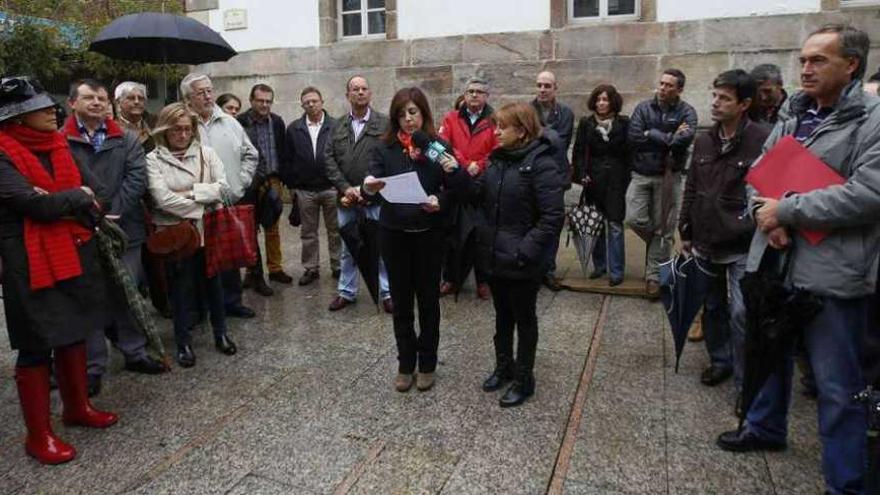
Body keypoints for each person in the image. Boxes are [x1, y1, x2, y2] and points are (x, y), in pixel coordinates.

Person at [717, 25, 880, 495]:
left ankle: (846, 483)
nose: (805, 68)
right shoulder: (793, 115)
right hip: (776, 259)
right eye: (804, 59)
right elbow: (759, 175)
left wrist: (786, 209)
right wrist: (765, 215)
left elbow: (868, 194)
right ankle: (765, 428)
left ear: (851, 65)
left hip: (832, 272)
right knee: (769, 355)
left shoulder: (871, 119)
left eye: (818, 60)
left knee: (836, 385)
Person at [0, 76, 118, 464]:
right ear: (17, 118)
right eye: (40, 107)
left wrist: (66, 200)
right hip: (28, 265)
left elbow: (99, 193)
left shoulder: (60, 145)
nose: (52, 111)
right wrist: (73, 199)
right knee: (36, 347)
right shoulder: (2, 154)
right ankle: (38, 436)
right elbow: (33, 206)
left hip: (73, 252)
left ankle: (76, 407)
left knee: (75, 333)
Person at [64, 79, 167, 396]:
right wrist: (92, 213)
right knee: (91, 298)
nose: (96, 103)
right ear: (73, 103)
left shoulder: (127, 139)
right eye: (88, 97)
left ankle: (135, 352)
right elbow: (63, 181)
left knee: (128, 292)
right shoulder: (60, 140)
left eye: (101, 98)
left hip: (125, 228)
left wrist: (112, 213)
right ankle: (94, 366)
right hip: (81, 228)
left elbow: (136, 179)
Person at [362, 87, 466, 393]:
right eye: (402, 114)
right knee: (402, 303)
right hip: (394, 236)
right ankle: (405, 364)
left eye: (413, 112)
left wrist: (441, 201)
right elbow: (371, 181)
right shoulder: (385, 148)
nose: (408, 120)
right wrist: (369, 187)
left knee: (429, 303)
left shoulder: (434, 146)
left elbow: (456, 186)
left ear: (423, 114)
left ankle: (428, 363)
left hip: (429, 237)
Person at [678, 70, 769, 389]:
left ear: (744, 104)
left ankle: (747, 384)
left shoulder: (762, 139)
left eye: (724, 98)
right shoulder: (704, 139)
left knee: (742, 313)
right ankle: (720, 360)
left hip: (743, 243)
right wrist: (685, 230)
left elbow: (772, 190)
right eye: (714, 96)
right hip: (705, 239)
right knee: (713, 306)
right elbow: (692, 187)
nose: (715, 103)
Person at [470, 102, 564, 407]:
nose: (495, 132)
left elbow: (552, 216)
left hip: (522, 260)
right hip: (496, 256)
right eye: (495, 125)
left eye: (501, 127)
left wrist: (525, 252)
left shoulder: (542, 163)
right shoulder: (497, 160)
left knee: (524, 319)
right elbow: (479, 196)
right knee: (502, 317)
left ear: (521, 131)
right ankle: (504, 366)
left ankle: (524, 379)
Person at [145, 102, 237, 368]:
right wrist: (202, 197)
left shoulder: (207, 154)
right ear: (165, 130)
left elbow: (223, 188)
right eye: (176, 130)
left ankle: (221, 334)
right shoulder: (153, 159)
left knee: (214, 285)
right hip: (175, 235)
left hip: (207, 231)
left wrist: (187, 195)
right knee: (180, 289)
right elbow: (162, 200)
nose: (183, 135)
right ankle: (183, 342)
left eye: (187, 129)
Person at [181, 73, 259, 319]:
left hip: (227, 200)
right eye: (200, 92)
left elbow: (250, 154)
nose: (207, 96)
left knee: (229, 254)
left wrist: (240, 183)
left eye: (209, 90)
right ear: (188, 98)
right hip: (196, 204)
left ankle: (232, 302)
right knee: (197, 257)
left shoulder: (229, 122)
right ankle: (200, 307)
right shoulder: (182, 124)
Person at [626, 68, 698, 299]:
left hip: (669, 175)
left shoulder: (687, 112)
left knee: (666, 228)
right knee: (633, 218)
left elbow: (683, 140)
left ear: (679, 89)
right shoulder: (643, 108)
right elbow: (634, 136)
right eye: (661, 83)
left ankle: (655, 278)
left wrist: (651, 133)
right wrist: (665, 136)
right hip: (641, 173)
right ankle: (656, 244)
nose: (663, 88)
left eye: (669, 85)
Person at [324, 75, 392, 313]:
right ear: (348, 95)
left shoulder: (384, 124)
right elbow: (329, 159)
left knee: (381, 247)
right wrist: (345, 188)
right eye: (355, 89)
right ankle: (346, 292)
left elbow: (388, 158)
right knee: (348, 248)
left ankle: (387, 293)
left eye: (364, 88)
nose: (360, 92)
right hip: (346, 199)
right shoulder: (337, 125)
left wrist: (366, 188)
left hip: (374, 197)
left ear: (370, 93)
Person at [438, 77, 499, 300]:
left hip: (483, 184)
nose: (474, 95)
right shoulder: (450, 118)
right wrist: (464, 165)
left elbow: (498, 149)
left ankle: (483, 281)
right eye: (471, 91)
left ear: (486, 96)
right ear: (464, 95)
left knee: (482, 235)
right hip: (455, 182)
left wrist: (480, 165)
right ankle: (451, 279)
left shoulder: (495, 120)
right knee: (452, 235)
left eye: (479, 92)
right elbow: (443, 145)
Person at [281, 86, 341, 286]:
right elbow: (287, 159)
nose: (311, 104)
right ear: (302, 105)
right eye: (307, 102)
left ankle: (338, 265)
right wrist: (292, 186)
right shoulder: (294, 128)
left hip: (331, 187)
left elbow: (342, 155)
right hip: (305, 190)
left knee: (336, 230)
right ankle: (311, 268)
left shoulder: (336, 125)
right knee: (308, 232)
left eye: (314, 100)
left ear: (322, 102)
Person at [572, 84, 630, 287]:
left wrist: (627, 177)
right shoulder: (587, 124)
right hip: (593, 178)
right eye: (598, 99)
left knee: (615, 224)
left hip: (616, 179)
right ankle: (600, 266)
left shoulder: (624, 124)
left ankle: (616, 270)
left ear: (613, 101)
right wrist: (581, 175)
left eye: (605, 99)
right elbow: (578, 153)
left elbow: (629, 153)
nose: (601, 103)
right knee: (595, 223)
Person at [237, 83, 291, 294]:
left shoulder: (277, 122)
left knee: (272, 225)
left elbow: (282, 150)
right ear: (251, 101)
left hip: (273, 179)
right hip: (250, 180)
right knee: (249, 227)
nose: (264, 105)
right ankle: (252, 271)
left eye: (268, 101)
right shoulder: (240, 122)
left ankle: (275, 268)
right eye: (260, 100)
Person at [531, 71, 574, 291]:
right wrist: (545, 135)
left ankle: (548, 270)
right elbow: (526, 140)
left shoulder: (565, 112)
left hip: (556, 175)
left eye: (547, 85)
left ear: (556, 87)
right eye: (539, 85)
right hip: (531, 174)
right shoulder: (527, 111)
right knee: (532, 222)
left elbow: (560, 142)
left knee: (553, 224)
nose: (542, 89)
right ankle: (533, 267)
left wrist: (539, 134)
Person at [114, 81, 156, 153]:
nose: (137, 102)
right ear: (118, 102)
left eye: (141, 98)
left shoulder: (154, 124)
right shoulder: (112, 128)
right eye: (131, 98)